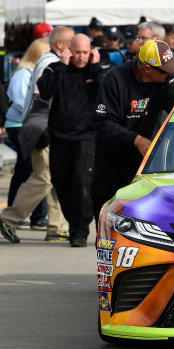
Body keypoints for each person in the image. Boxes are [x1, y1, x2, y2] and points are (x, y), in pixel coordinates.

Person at [92, 40, 174, 221]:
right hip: (112, 158)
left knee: (144, 216)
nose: (170, 72)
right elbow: (102, 123)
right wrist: (136, 139)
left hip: (146, 160)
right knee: (106, 213)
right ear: (147, 68)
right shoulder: (114, 79)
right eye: (165, 70)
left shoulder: (166, 78)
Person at [0, 27, 72, 244]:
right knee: (44, 176)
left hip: (46, 127)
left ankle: (57, 226)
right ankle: (9, 218)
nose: (75, 51)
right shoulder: (50, 62)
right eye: (71, 44)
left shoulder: (48, 61)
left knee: (53, 176)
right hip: (43, 128)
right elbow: (43, 94)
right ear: (60, 44)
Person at [37, 34, 103, 247]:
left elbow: (105, 94)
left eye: (85, 52)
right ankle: (75, 222)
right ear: (69, 51)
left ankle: (80, 231)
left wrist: (95, 67)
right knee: (61, 184)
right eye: (77, 52)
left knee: (82, 184)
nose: (82, 57)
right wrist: (62, 66)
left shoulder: (96, 71)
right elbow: (45, 91)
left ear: (91, 51)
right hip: (60, 137)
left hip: (86, 137)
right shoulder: (55, 68)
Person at [3, 39, 50, 232]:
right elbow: (22, 101)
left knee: (29, 170)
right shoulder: (24, 74)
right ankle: (29, 215)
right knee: (31, 171)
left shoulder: (34, 72)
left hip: (30, 124)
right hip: (21, 125)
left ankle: (35, 215)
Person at [136, 21, 174, 90]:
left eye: (143, 38)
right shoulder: (134, 63)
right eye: (138, 38)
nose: (139, 42)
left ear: (157, 39)